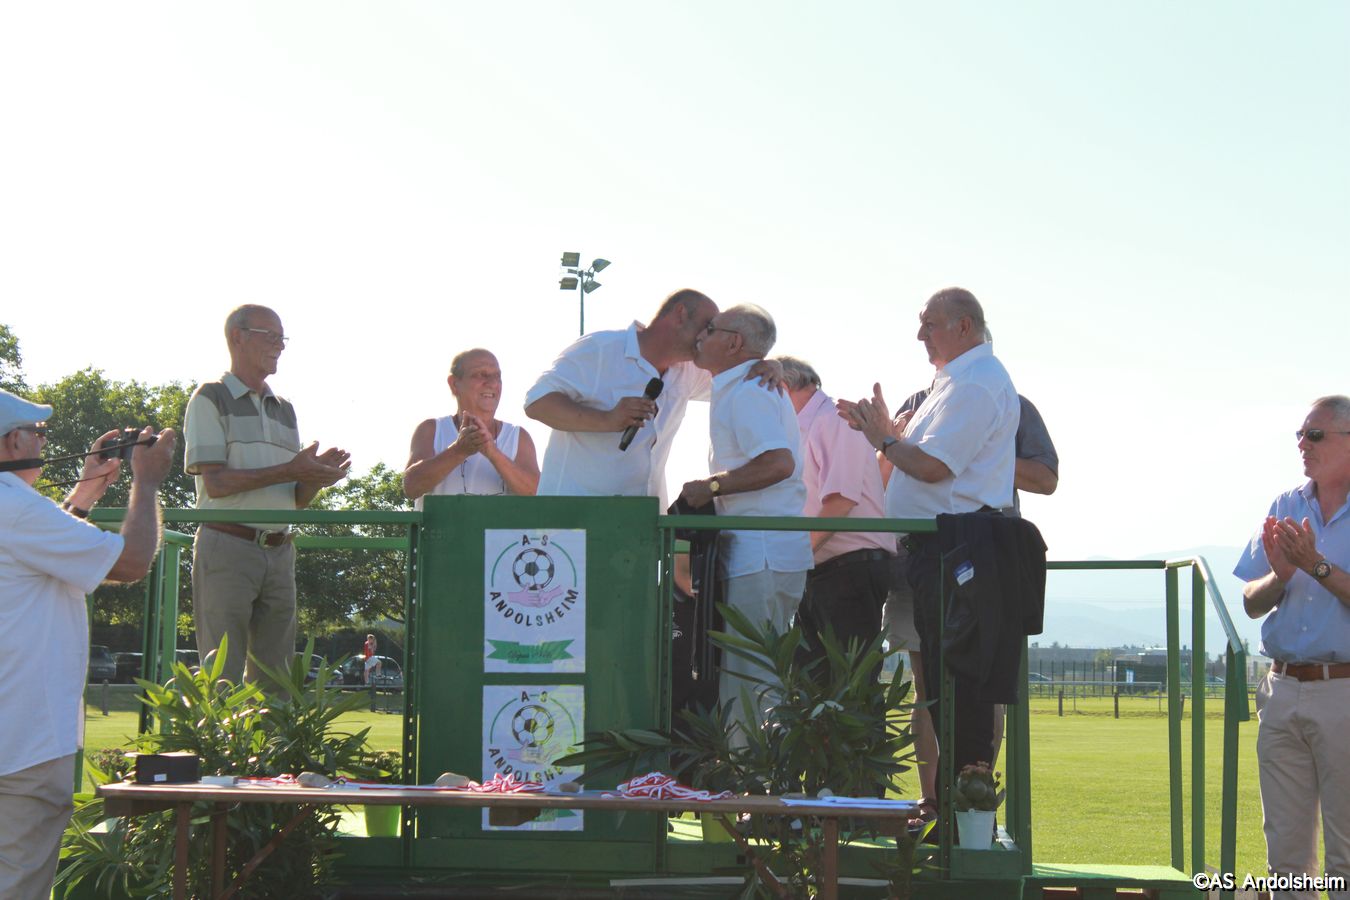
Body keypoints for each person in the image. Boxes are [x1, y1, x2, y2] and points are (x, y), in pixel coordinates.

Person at [840, 287, 1020, 813]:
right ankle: (952, 815)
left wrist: (884, 440)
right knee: (944, 690)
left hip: (957, 549)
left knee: (960, 694)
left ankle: (965, 823)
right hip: (937, 549)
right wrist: (887, 436)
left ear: (964, 327)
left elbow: (935, 468)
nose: (920, 334)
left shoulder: (977, 384)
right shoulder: (957, 382)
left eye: (930, 323)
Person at [0, 388, 176, 900]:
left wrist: (84, 495)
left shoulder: (18, 512)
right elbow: (132, 561)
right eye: (37, 432)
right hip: (22, 745)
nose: (42, 440)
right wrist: (146, 482)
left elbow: (38, 552)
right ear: (12, 442)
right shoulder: (16, 507)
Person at [884, 385, 1059, 809]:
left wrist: (971, 456)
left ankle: (973, 803)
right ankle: (932, 801)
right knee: (925, 687)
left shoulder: (1009, 402)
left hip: (984, 562)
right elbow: (885, 477)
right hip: (918, 559)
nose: (929, 350)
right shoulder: (917, 405)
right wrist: (891, 444)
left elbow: (1045, 478)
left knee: (984, 688)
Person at [184, 305, 350, 686]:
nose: (280, 346)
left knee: (277, 681)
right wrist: (292, 470)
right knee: (221, 675)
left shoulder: (285, 410)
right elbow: (216, 484)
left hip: (280, 550)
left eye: (282, 338)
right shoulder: (209, 398)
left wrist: (315, 476)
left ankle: (272, 731)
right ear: (237, 337)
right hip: (227, 546)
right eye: (271, 336)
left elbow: (296, 499)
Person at [1235, 394, 1350, 895]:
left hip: (1343, 690)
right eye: (1300, 435)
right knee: (1285, 854)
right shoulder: (1285, 505)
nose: (1303, 443)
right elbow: (1250, 601)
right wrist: (1280, 577)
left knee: (1347, 852)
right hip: (1281, 689)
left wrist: (1315, 566)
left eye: (1315, 434)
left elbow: (1318, 570)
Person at [679, 305, 812, 733]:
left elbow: (778, 463)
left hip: (761, 553)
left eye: (710, 329)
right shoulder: (743, 384)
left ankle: (753, 775)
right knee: (757, 678)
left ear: (734, 342)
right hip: (766, 552)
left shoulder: (749, 391)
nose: (701, 335)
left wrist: (711, 486)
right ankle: (756, 772)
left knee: (750, 682)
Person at [525, 289, 782, 507]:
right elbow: (537, 403)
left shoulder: (692, 370)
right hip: (572, 520)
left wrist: (773, 365)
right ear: (680, 314)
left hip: (642, 525)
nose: (707, 336)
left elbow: (738, 371)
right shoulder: (599, 349)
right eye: (707, 326)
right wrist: (607, 419)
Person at [777, 355, 894, 665]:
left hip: (848, 569)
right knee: (815, 679)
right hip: (827, 568)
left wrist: (794, 558)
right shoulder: (810, 425)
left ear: (783, 387)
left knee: (849, 679)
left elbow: (841, 500)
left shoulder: (834, 419)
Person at [403, 348, 539, 504]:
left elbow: (537, 493)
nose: (492, 383)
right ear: (454, 384)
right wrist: (459, 450)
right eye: (480, 375)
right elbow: (411, 487)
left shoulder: (517, 437)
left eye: (497, 376)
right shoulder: (431, 430)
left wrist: (492, 453)